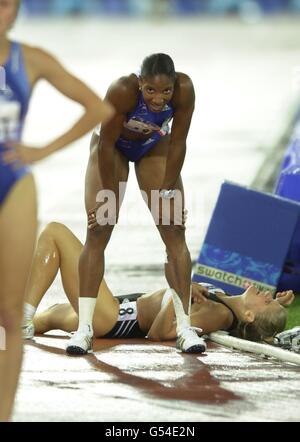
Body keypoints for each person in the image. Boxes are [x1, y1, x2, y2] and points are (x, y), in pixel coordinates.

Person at [0, 0, 113, 422]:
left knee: (9, 314)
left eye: (6, 3)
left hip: (13, 184)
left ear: (15, 10)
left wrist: (40, 151)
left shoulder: (29, 59)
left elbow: (98, 109)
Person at [66, 52, 205, 356]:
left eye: (165, 91)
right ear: (140, 83)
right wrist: (106, 196)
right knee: (100, 227)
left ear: (174, 85)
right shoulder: (122, 91)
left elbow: (179, 141)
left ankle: (184, 326)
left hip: (153, 147)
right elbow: (105, 144)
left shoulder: (185, 90)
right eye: (151, 91)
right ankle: (84, 329)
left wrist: (168, 191)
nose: (158, 99)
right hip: (112, 150)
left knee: (173, 228)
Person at [22, 222, 294, 345]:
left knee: (55, 232)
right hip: (119, 308)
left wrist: (180, 294)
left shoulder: (220, 313)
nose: (268, 295)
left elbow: (160, 333)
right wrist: (276, 307)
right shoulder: (226, 302)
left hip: (114, 318)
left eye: (266, 302)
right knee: (41, 321)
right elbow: (257, 320)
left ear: (248, 315)